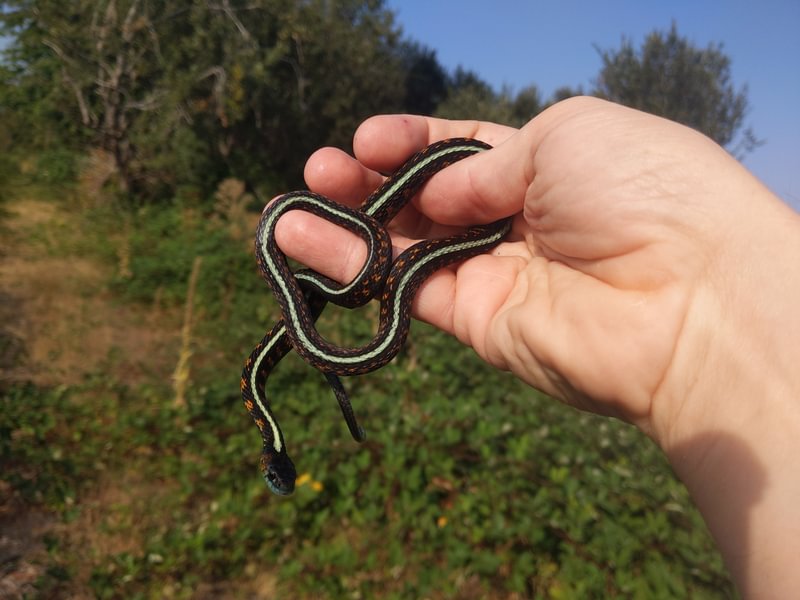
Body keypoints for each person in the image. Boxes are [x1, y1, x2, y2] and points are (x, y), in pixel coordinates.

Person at [273, 97, 800, 598]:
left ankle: (323, 280)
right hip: (421, 235)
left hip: (467, 226)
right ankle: (320, 279)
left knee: (346, 274)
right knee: (335, 272)